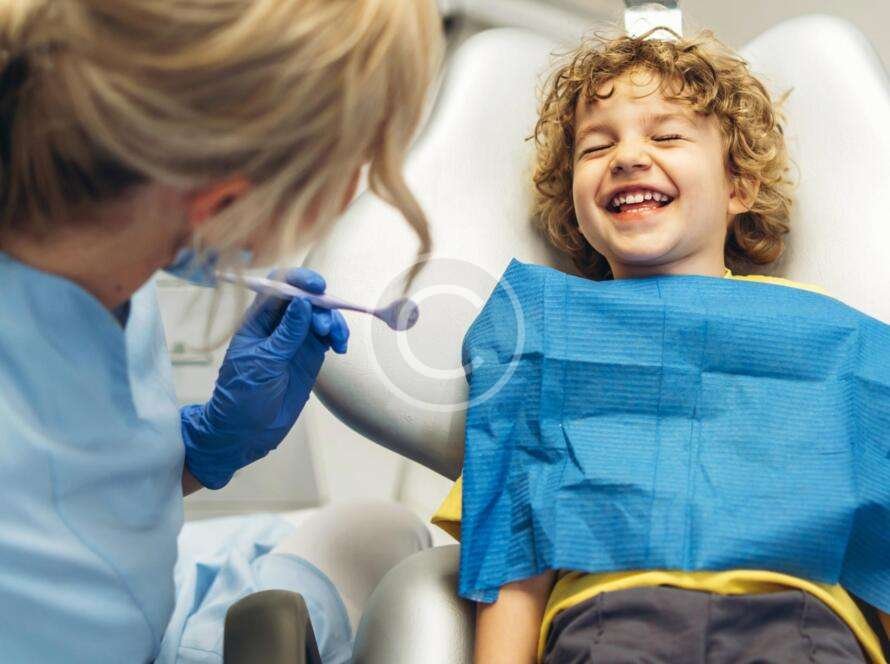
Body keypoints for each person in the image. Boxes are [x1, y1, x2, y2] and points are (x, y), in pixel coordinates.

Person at [0, 0, 443, 662]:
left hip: (154, 585)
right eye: (346, 175)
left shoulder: (87, 215)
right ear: (221, 204)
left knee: (379, 533)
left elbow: (91, 463)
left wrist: (202, 447)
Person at [432, 29, 890, 663]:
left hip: (804, 621)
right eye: (597, 146)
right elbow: (513, 557)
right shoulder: (546, 335)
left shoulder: (828, 336)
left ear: (738, 187)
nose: (627, 156)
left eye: (667, 135)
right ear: (573, 206)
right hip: (613, 619)